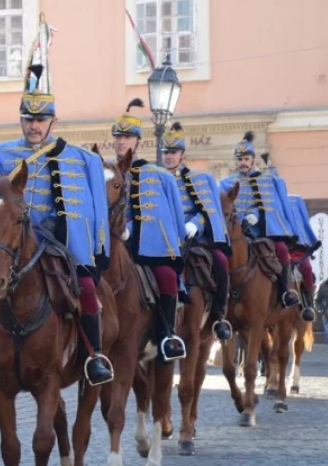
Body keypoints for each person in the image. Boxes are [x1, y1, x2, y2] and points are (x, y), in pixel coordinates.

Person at [0, 15, 114, 385]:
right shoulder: (1, 153)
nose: (34, 126)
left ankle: (94, 356)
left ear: (53, 121)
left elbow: (95, 211)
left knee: (84, 288)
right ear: (21, 120)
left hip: (57, 239)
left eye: (41, 119)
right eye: (28, 119)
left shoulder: (79, 158)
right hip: (10, 236)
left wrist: (97, 251)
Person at [110, 99, 188, 362]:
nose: (121, 142)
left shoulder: (161, 176)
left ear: (138, 142)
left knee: (166, 277)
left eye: (127, 137)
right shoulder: (106, 173)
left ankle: (166, 336)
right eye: (118, 137)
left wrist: (131, 231)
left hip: (149, 248)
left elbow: (177, 219)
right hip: (112, 244)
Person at [160, 122, 233, 340]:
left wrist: (195, 224)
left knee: (221, 260)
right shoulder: (156, 179)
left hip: (194, 238)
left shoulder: (199, 179)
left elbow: (208, 209)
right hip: (163, 238)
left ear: (182, 155)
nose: (169, 157)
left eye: (173, 152)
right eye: (166, 153)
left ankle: (220, 315)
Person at [219, 132, 300, 309]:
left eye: (246, 158)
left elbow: (273, 206)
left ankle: (286, 291)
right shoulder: (226, 183)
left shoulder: (265, 181)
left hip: (260, 232)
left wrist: (256, 214)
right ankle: (216, 297)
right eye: (239, 159)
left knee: (281, 250)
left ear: (253, 160)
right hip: (233, 233)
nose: (243, 162)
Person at [285, 193, 319, 322]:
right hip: (282, 251)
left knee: (307, 268)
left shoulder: (296, 203)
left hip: (299, 253)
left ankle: (308, 303)